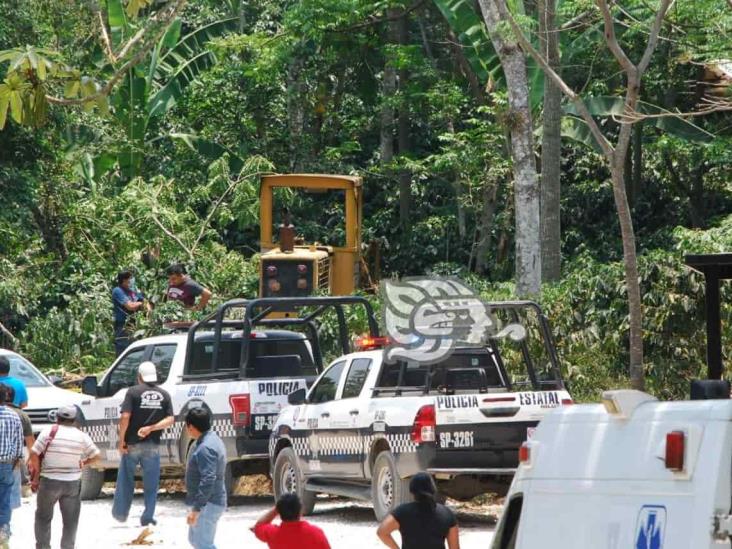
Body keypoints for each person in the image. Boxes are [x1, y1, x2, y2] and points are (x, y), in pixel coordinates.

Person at [112, 361, 174, 527]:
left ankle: (120, 514)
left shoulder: (132, 392)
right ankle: (147, 517)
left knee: (126, 479)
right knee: (151, 484)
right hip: (152, 445)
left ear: (139, 376)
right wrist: (151, 428)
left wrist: (121, 441)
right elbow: (170, 420)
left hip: (132, 444)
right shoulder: (164, 394)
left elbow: (125, 417)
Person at [29, 405, 100, 549]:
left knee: (43, 517)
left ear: (57, 417)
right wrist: (84, 462)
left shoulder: (48, 431)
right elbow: (97, 455)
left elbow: (34, 453)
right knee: (70, 521)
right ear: (74, 420)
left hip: (49, 481)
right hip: (72, 484)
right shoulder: (81, 436)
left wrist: (36, 476)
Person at [376, 472, 460, 549]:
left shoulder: (402, 512)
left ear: (412, 491)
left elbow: (382, 532)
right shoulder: (447, 514)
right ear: (433, 489)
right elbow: (455, 547)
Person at [184, 407, 226, 549]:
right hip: (208, 502)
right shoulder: (211, 439)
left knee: (203, 545)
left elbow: (208, 479)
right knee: (195, 541)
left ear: (190, 426)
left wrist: (197, 509)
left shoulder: (205, 448)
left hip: (208, 503)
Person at [251, 493, 331, 549]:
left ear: (279, 512)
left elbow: (258, 526)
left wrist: (277, 509)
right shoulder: (315, 533)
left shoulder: (273, 534)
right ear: (300, 510)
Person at [1, 385, 34, 510]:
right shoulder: (21, 415)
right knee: (10, 498)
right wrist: (31, 459)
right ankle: (5, 525)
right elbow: (29, 441)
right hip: (12, 462)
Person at [0, 384, 23, 549]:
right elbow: (18, 446)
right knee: (5, 500)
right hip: (6, 465)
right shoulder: (14, 416)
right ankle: (3, 533)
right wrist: (14, 463)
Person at [112, 270, 149, 356]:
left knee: (135, 350)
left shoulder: (132, 291)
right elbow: (130, 306)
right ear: (124, 280)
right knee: (123, 350)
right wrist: (140, 303)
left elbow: (145, 302)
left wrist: (146, 308)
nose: (131, 280)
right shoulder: (118, 291)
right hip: (123, 325)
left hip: (134, 324)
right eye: (129, 278)